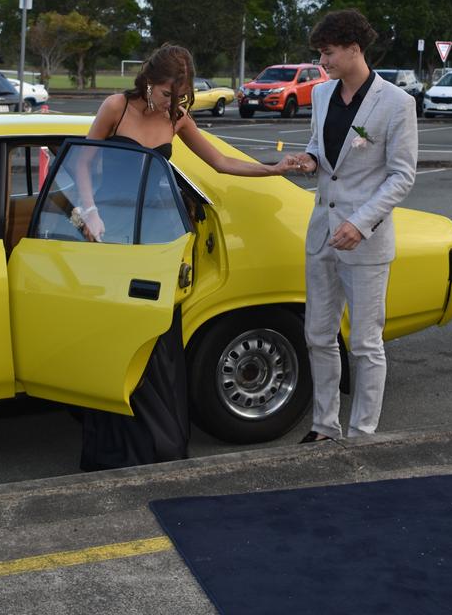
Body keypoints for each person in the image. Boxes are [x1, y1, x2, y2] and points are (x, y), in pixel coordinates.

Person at [78, 43, 296, 471]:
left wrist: (273, 168)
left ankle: (157, 442)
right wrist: (89, 212)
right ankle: (114, 442)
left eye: (178, 97)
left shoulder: (176, 118)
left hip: (159, 235)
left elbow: (220, 162)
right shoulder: (115, 107)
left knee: (159, 336)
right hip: (113, 234)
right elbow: (83, 163)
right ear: (147, 81)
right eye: (165, 94)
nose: (171, 103)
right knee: (118, 334)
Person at [293, 9, 418, 442]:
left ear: (353, 49)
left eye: (327, 53)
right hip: (321, 234)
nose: (322, 62)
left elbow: (402, 176)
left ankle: (362, 435)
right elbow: (318, 146)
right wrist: (308, 159)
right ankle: (324, 427)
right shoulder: (321, 95)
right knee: (317, 336)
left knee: (365, 344)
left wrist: (361, 223)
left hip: (364, 241)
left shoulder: (397, 103)